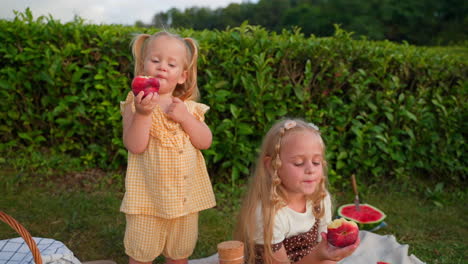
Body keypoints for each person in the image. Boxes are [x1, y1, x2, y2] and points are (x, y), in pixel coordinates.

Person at [119, 31, 216, 264]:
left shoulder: (189, 108)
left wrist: (186, 118)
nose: (162, 67)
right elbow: (135, 145)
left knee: (178, 254)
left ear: (182, 76)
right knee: (141, 254)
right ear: (143, 67)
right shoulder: (135, 104)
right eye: (155, 60)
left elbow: (205, 141)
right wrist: (143, 114)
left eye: (171, 64)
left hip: (185, 201)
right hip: (147, 201)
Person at [234, 118, 360, 264]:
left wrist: (331, 256)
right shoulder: (266, 214)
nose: (310, 169)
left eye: (316, 162)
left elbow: (324, 250)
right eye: (298, 163)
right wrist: (319, 256)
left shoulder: (320, 199)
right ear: (272, 166)